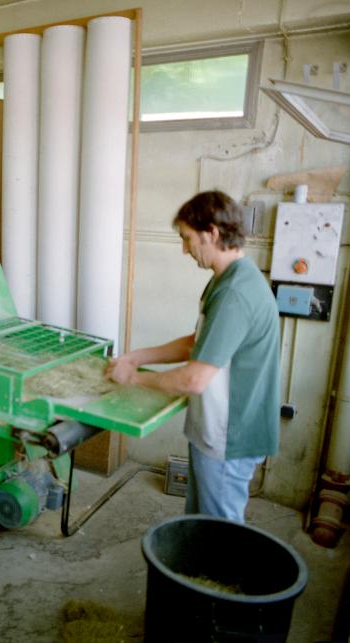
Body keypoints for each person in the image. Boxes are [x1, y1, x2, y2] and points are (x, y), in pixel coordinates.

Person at [106, 191, 280, 523]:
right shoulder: (224, 282)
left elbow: (194, 379)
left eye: (187, 239)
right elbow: (197, 342)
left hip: (229, 434)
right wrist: (137, 355)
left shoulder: (235, 293)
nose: (185, 249)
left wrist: (134, 378)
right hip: (214, 429)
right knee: (201, 524)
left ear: (211, 233)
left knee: (218, 532)